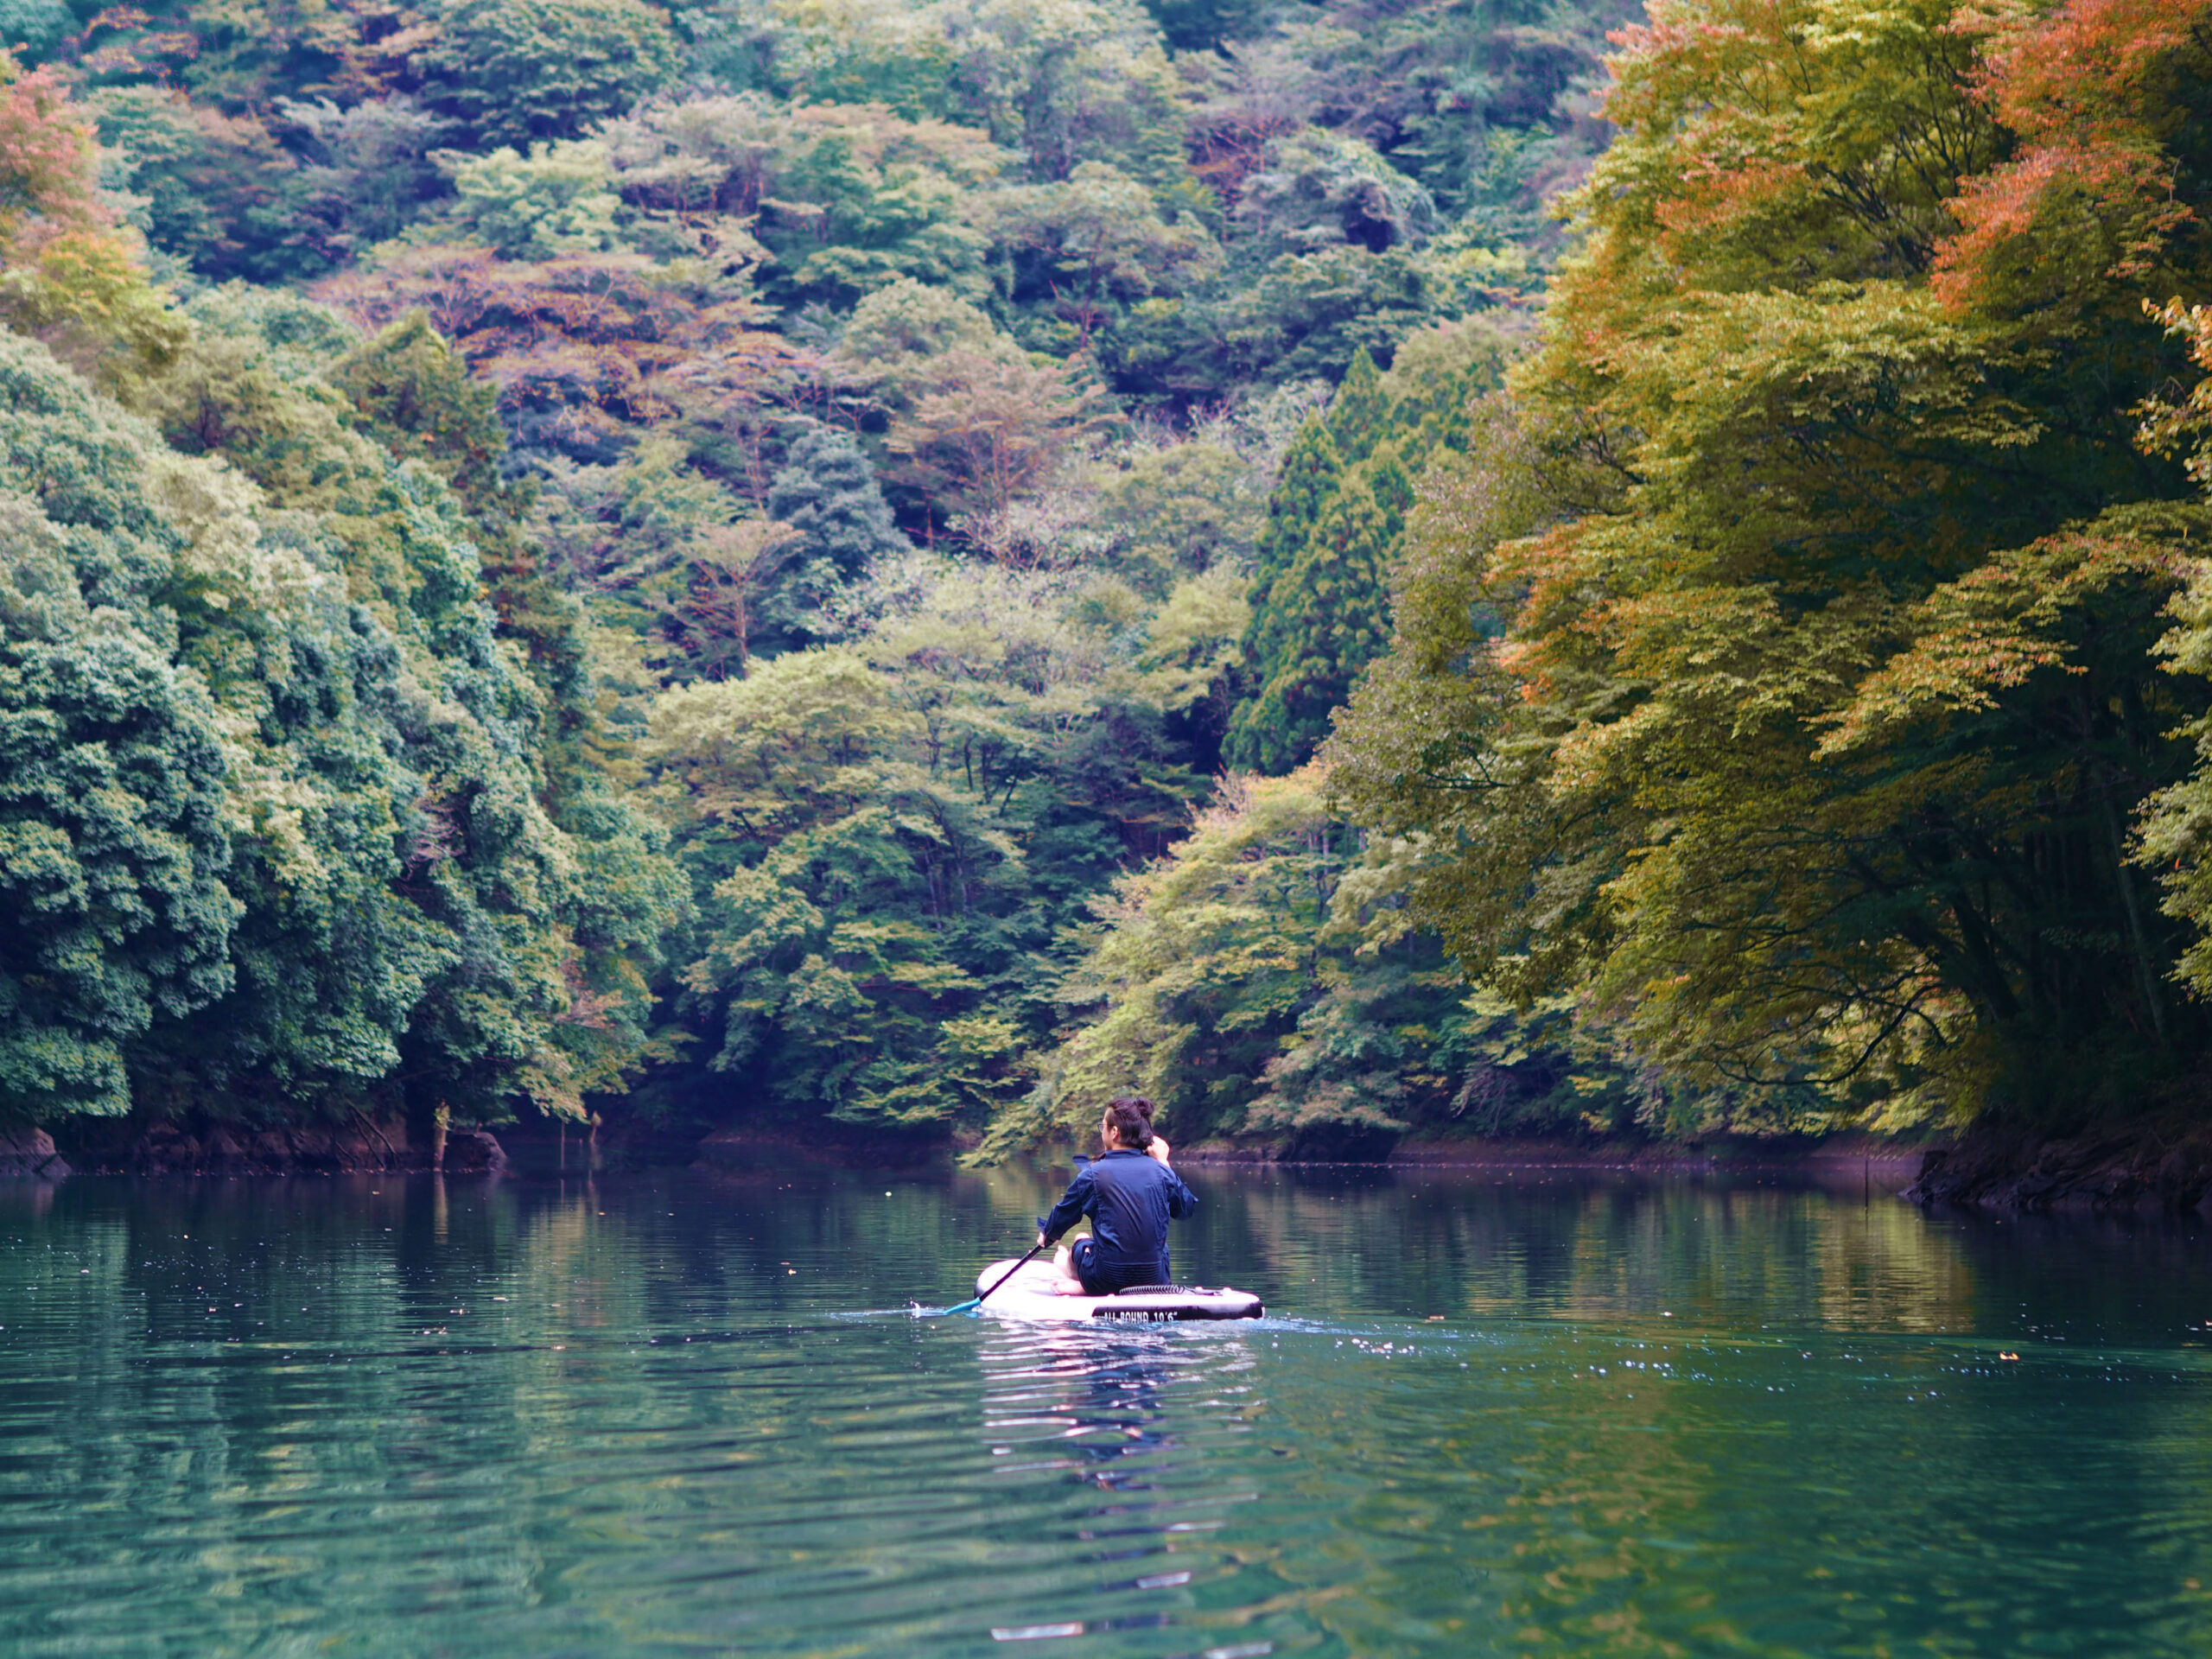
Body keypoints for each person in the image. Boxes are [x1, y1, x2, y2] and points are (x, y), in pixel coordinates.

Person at [1038, 1096, 1198, 1294]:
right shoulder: (1162, 1172)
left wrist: (1047, 1235)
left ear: (1114, 1132)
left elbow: (1064, 1214)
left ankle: (1077, 1279)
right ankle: (1086, 1282)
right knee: (1158, 1248)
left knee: (1080, 1239)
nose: (1101, 1131)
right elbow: (1186, 1210)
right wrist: (1165, 1163)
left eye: (1102, 1126)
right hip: (1156, 1280)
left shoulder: (1092, 1175)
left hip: (1107, 1279)